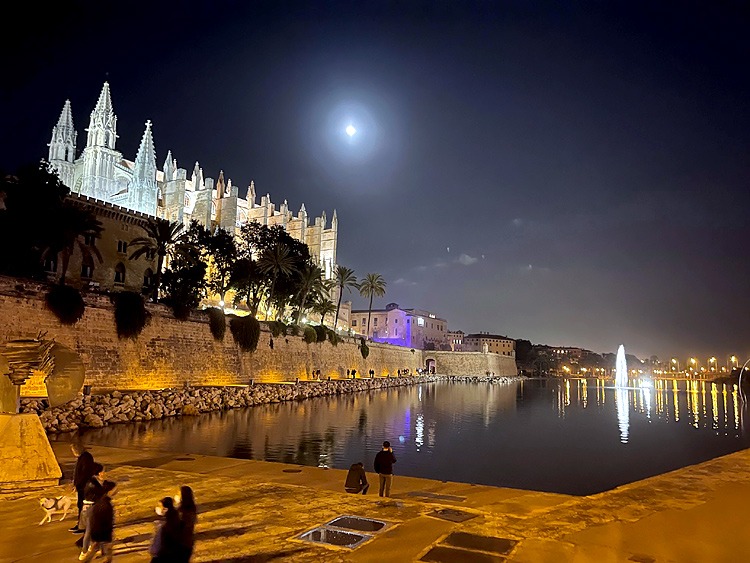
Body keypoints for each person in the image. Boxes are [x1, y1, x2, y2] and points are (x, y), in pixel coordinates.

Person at [79, 480, 117, 562]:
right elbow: (105, 521)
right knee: (106, 552)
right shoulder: (105, 504)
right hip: (102, 534)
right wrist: (108, 536)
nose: (116, 491)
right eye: (114, 489)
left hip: (99, 533)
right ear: (109, 491)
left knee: (98, 550)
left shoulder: (101, 501)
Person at [78, 463, 106, 558]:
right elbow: (101, 495)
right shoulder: (95, 484)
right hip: (92, 508)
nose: (104, 473)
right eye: (102, 471)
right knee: (89, 531)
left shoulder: (89, 481)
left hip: (86, 508)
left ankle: (94, 547)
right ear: (98, 473)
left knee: (91, 530)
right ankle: (84, 552)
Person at [70, 443, 95, 533]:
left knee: (83, 506)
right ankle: (81, 525)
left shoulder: (86, 458)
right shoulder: (83, 457)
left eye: (73, 451)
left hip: (84, 486)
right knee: (81, 505)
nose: (73, 453)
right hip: (82, 486)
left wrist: (77, 484)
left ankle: (83, 526)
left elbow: (84, 474)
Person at [150, 497, 182, 562]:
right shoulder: (176, 520)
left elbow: (156, 544)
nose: (157, 508)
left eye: (160, 506)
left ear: (165, 509)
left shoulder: (163, 525)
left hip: (162, 556)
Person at [175, 486, 197, 562]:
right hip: (188, 542)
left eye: (178, 494)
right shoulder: (192, 508)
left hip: (180, 543)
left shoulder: (181, 511)